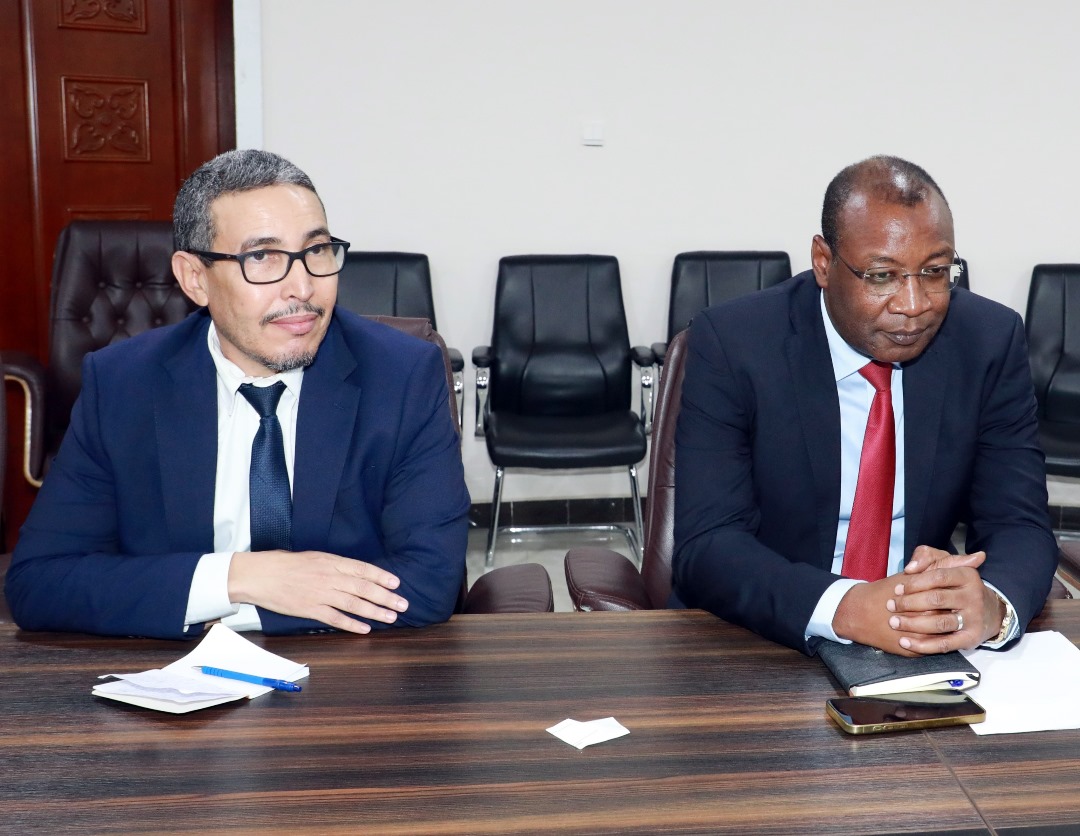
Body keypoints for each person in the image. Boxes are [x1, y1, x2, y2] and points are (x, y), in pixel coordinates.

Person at [5, 149, 470, 638]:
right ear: (195, 279)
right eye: (261, 257)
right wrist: (238, 579)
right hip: (173, 679)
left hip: (351, 672)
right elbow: (41, 581)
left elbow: (430, 584)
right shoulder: (123, 383)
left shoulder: (401, 375)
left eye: (316, 251)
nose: (303, 287)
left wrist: (203, 606)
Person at [672, 155, 1058, 657]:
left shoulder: (987, 341)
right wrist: (847, 607)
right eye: (881, 276)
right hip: (762, 632)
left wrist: (991, 604)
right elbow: (708, 544)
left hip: (922, 640)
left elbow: (1018, 522)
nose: (914, 304)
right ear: (823, 262)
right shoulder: (735, 342)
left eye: (935, 271)